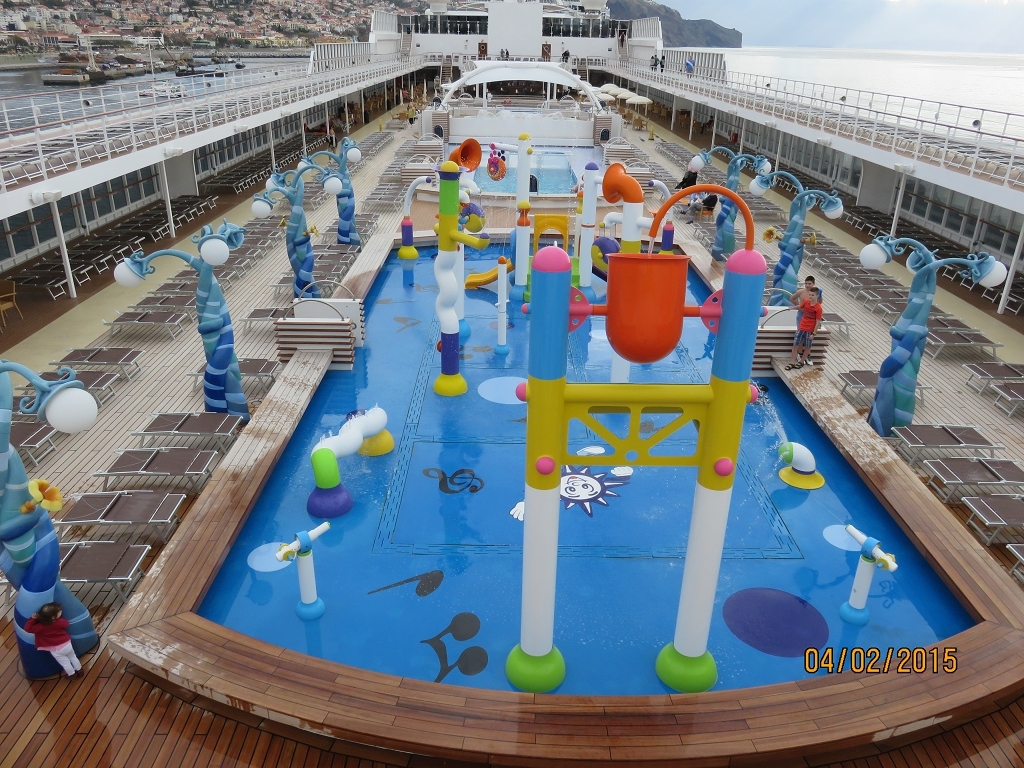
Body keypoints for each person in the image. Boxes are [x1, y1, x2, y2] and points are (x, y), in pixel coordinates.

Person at [25, 602, 82, 679]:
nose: (61, 611)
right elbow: (66, 623)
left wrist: (33, 619)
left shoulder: (40, 627)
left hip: (56, 650)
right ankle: (79, 670)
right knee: (73, 657)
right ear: (53, 617)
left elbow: (28, 629)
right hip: (67, 644)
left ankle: (72, 675)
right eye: (59, 611)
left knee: (65, 663)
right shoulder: (59, 622)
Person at [786, 287, 823, 370]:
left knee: (807, 347)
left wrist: (814, 333)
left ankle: (801, 362)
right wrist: (793, 307)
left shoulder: (818, 308)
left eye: (812, 295)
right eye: (809, 295)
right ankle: (792, 362)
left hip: (810, 330)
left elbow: (818, 321)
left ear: (817, 296)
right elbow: (800, 306)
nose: (810, 297)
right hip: (802, 327)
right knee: (795, 345)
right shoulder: (806, 302)